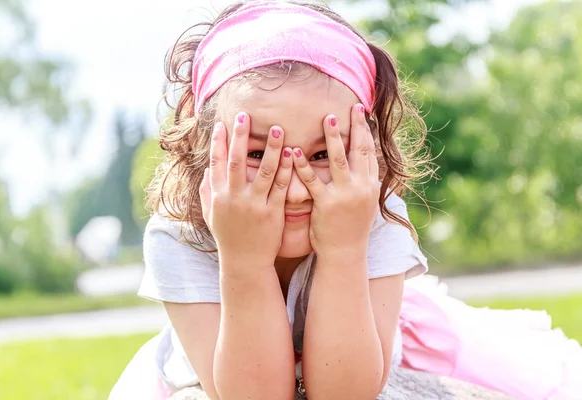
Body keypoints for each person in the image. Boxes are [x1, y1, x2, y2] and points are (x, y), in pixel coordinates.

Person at [110, 1, 582, 399]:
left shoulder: (371, 213)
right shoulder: (181, 235)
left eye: (322, 153)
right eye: (258, 153)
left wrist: (343, 248)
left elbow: (345, 392)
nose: (293, 185)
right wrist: (244, 261)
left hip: (364, 352)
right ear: (203, 147)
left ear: (367, 149)